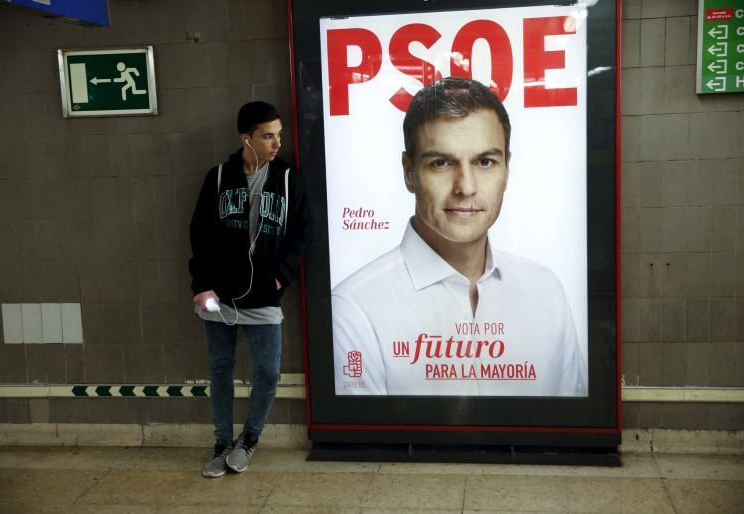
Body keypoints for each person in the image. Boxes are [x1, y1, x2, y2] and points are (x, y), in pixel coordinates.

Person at [331, 77, 586, 397]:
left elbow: (567, 430)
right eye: (441, 162)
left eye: (484, 162)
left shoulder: (547, 291)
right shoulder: (354, 310)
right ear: (409, 172)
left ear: (507, 169)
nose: (465, 187)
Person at [189, 101, 309, 478]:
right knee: (221, 369)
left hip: (264, 297)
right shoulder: (220, 177)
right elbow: (200, 234)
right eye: (267, 136)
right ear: (247, 138)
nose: (277, 143)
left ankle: (250, 438)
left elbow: (302, 233)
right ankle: (222, 442)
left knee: (268, 372)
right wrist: (201, 285)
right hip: (219, 296)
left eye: (279, 134)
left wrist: (281, 276)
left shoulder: (289, 179)